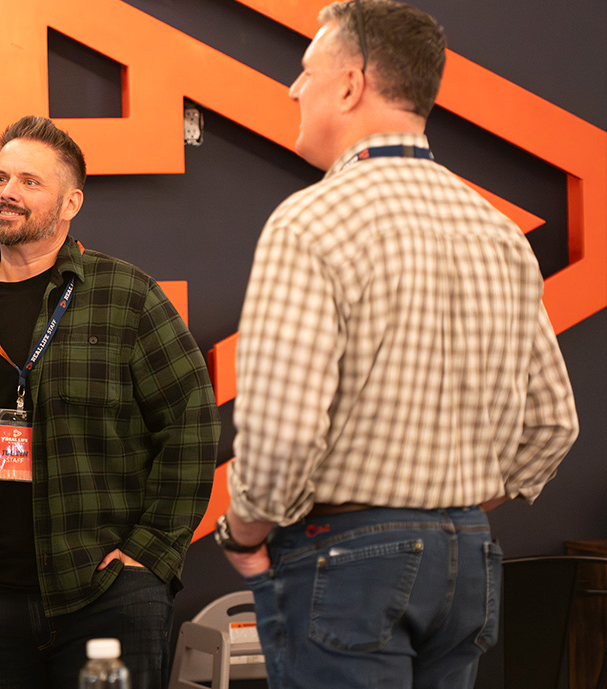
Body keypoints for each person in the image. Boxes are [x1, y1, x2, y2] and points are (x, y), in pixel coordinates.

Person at [217, 3, 580, 687]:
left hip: (344, 564)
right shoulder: (499, 233)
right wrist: (446, 512)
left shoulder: (312, 222)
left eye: (306, 72)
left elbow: (282, 435)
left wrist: (243, 531)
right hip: (467, 559)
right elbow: (553, 423)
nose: (294, 89)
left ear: (351, 85)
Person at [0, 115, 219, 688]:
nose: (8, 192)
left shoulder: (127, 297)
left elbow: (190, 425)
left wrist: (150, 555)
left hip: (105, 597)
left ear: (71, 203)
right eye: (0, 178)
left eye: (30, 182)